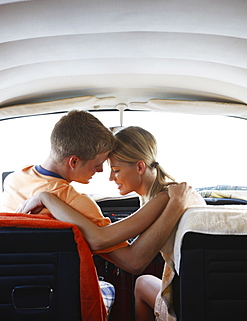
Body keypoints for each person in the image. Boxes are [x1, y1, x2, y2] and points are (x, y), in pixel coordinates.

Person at [17, 125, 204, 319]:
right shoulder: (156, 196)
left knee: (141, 282)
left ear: (140, 167)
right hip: (193, 287)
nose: (110, 177)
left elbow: (120, 251)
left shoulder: (165, 199)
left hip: (190, 296)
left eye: (115, 170)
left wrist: (47, 198)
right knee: (141, 284)